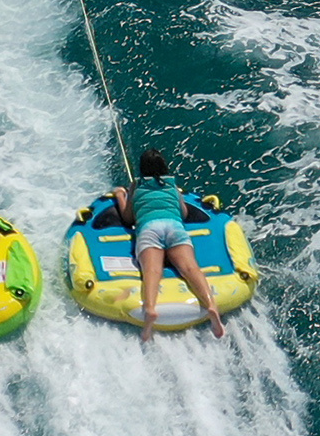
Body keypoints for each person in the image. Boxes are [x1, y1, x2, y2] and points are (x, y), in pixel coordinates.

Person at [95, 147, 231, 344]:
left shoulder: (136, 187)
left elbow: (127, 217)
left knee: (152, 270)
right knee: (190, 268)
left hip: (150, 229)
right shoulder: (172, 187)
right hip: (174, 228)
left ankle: (150, 310)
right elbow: (183, 213)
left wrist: (121, 196)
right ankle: (211, 306)